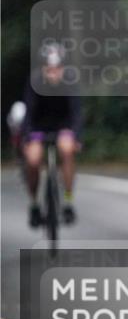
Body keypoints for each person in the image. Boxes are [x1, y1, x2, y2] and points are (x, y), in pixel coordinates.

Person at [21, 43, 83, 227]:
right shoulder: (35, 82)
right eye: (49, 69)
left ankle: (68, 201)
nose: (53, 73)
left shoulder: (70, 82)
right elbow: (28, 114)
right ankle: (34, 204)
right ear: (43, 68)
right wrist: (28, 138)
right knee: (33, 160)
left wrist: (76, 137)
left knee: (67, 150)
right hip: (38, 127)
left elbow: (77, 112)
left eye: (57, 68)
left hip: (63, 126)